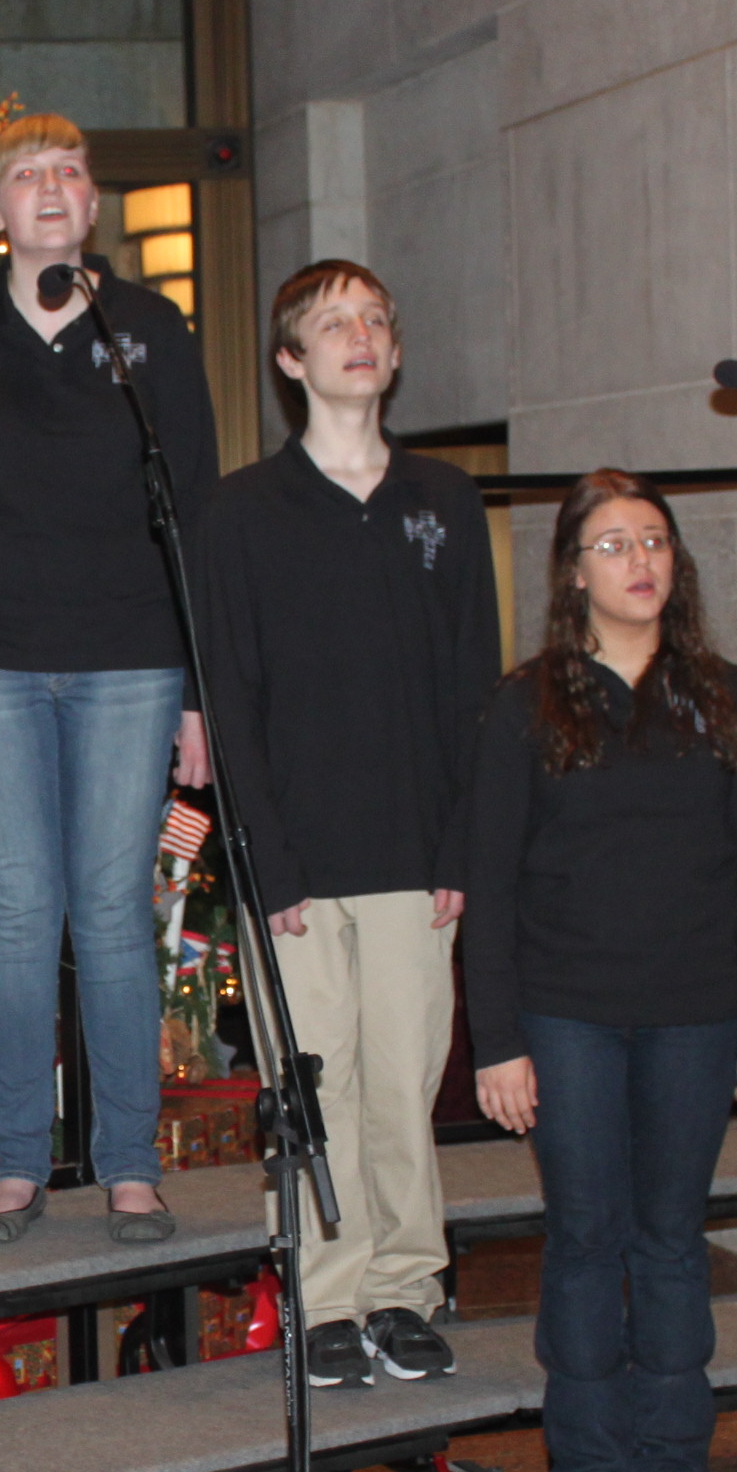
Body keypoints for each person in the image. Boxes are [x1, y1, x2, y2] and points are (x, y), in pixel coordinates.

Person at [0, 112, 218, 1245]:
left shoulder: (149, 329)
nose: (48, 189)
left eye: (68, 173)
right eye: (25, 175)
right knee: (23, 913)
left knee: (115, 910)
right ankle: (18, 1165)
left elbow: (196, 507)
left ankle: (129, 1166)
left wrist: (198, 692)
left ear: (91, 202)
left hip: (131, 658)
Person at [462, 472, 737, 1472]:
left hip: (698, 1012)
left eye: (653, 540)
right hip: (568, 1013)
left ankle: (674, 1461)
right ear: (572, 572)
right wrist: (498, 1039)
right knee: (586, 1238)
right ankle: (591, 1468)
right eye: (612, 544)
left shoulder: (730, 696)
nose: (639, 561)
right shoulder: (526, 704)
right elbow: (491, 881)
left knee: (670, 1241)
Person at [197, 261, 498, 1388]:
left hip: (418, 855)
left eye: (375, 318)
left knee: (403, 1090)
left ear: (396, 351)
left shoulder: (444, 501)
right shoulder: (242, 512)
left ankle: (404, 1288)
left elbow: (475, 689)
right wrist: (266, 863)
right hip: (299, 866)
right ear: (291, 360)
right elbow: (231, 700)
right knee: (316, 1091)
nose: (359, 335)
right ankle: (325, 1299)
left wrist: (463, 847)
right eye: (333, 323)